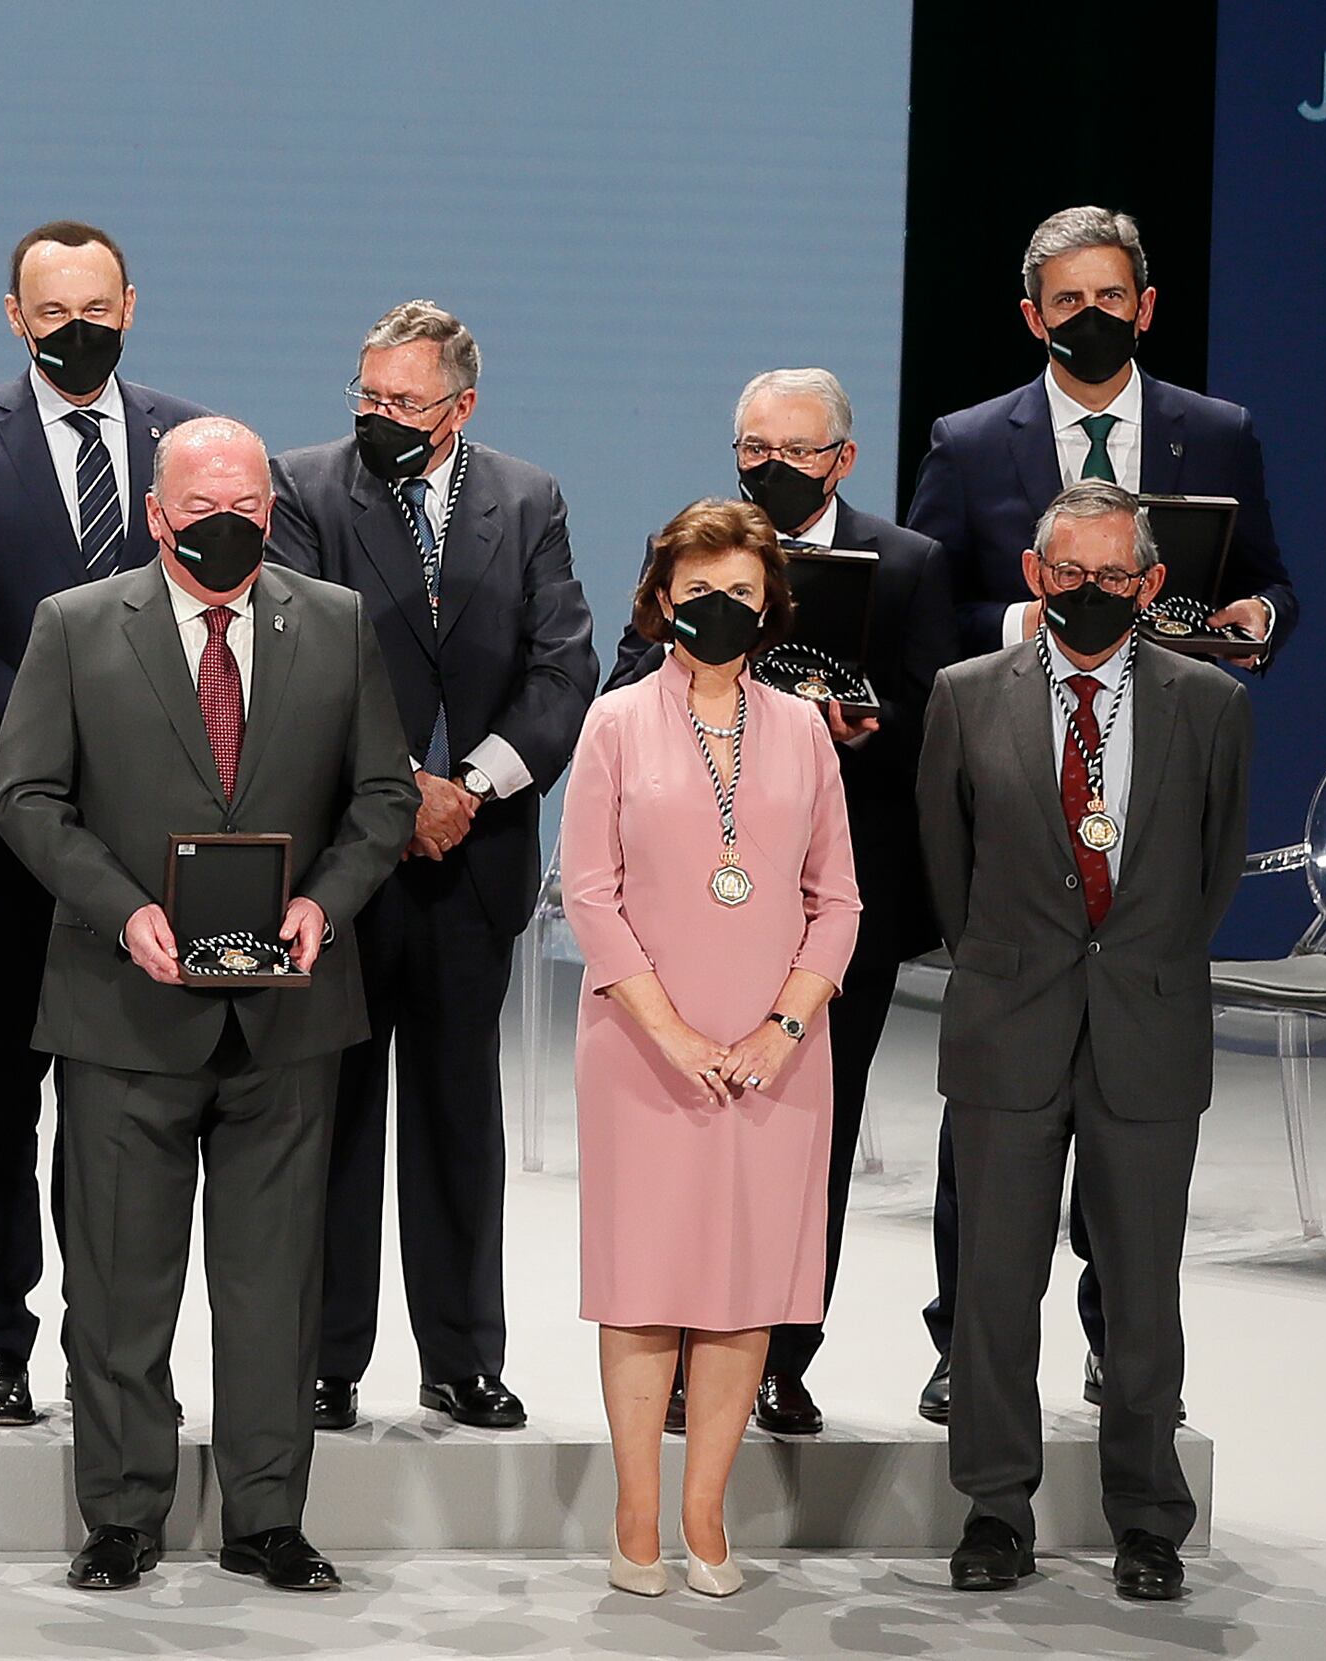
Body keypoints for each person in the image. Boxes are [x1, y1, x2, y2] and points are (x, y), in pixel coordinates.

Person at [0, 417, 413, 1596]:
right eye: (201, 503)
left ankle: (265, 1517)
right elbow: (24, 793)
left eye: (246, 503)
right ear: (157, 511)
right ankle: (121, 1514)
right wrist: (123, 909)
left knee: (274, 1287)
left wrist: (326, 902)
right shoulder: (76, 626)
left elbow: (380, 793)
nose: (226, 521)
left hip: (287, 1012)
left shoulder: (330, 621)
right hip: (124, 1003)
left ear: (269, 510)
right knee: (119, 1285)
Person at [0, 220, 212, 1426]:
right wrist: (46, 729)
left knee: (124, 1098)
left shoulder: (188, 441)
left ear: (129, 301)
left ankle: (114, 1342)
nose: (76, 324)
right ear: (15, 317)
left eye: (96, 303)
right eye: (50, 308)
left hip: (149, 834)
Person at [603, 369, 953, 1436]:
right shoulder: (698, 550)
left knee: (805, 1137)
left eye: (795, 449)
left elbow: (938, 706)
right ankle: (672, 1356)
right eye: (752, 444)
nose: (769, 466)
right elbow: (623, 673)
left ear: (841, 457)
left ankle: (778, 1357)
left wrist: (860, 722)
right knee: (682, 1126)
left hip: (834, 903)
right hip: (686, 911)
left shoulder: (908, 563)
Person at [265, 301, 595, 1433]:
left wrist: (477, 784)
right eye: (365, 395)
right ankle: (323, 1357)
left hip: (475, 858)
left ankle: (459, 1356)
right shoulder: (301, 487)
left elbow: (564, 665)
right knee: (338, 1114)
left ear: (460, 407)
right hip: (350, 858)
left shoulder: (529, 496)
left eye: (400, 402)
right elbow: (299, 652)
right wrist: (402, 789)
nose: (376, 417)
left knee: (459, 1115)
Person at [926, 482, 1251, 1604]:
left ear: (1150, 585)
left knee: (1140, 1292)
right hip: (1006, 1022)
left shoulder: (1207, 703)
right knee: (992, 1283)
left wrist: (1133, 965)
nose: (1089, 593)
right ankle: (991, 1508)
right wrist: (1017, 961)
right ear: (1033, 571)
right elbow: (946, 867)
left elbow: (1207, 876)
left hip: (1145, 1027)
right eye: (1067, 573)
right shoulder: (964, 694)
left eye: (1114, 576)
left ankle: (1147, 1520)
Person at [561, 502, 859, 1597]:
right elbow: (587, 894)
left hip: (775, 1057)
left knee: (740, 1287)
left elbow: (837, 901)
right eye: (696, 594)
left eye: (737, 592)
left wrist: (781, 1025)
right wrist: (674, 1031)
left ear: (769, 603)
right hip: (642, 1049)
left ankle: (705, 1512)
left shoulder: (803, 729)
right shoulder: (613, 724)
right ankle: (635, 1511)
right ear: (659, 601)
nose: (716, 611)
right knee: (644, 1282)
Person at [905, 205, 1292, 664]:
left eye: (1110, 296)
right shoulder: (968, 446)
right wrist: (1025, 623)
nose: (1092, 318)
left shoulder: (1220, 435)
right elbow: (922, 611)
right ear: (1034, 319)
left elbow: (1269, 585)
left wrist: (1261, 613)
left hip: (1171, 713)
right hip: (1015, 712)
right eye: (1068, 301)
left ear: (1143, 308)